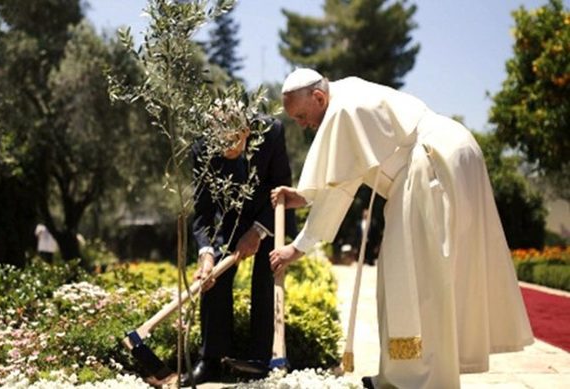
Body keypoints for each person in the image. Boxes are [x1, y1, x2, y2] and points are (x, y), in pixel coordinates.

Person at [269, 68, 534, 389]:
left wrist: (297, 247)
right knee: (430, 275)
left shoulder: (340, 111)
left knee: (417, 278)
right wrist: (303, 196)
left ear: (319, 98)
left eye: (301, 116)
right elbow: (344, 174)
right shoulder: (347, 91)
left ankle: (420, 381)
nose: (302, 125)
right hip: (454, 153)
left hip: (431, 165)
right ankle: (409, 376)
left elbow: (339, 187)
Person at [182, 116, 295, 386]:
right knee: (214, 279)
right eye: (218, 143)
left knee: (266, 276)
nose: (224, 150)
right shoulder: (201, 148)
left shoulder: (271, 133)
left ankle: (261, 358)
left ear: (246, 132)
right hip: (231, 220)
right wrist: (206, 254)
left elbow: (282, 188)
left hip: (270, 216)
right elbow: (204, 210)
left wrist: (257, 232)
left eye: (230, 143)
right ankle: (211, 360)